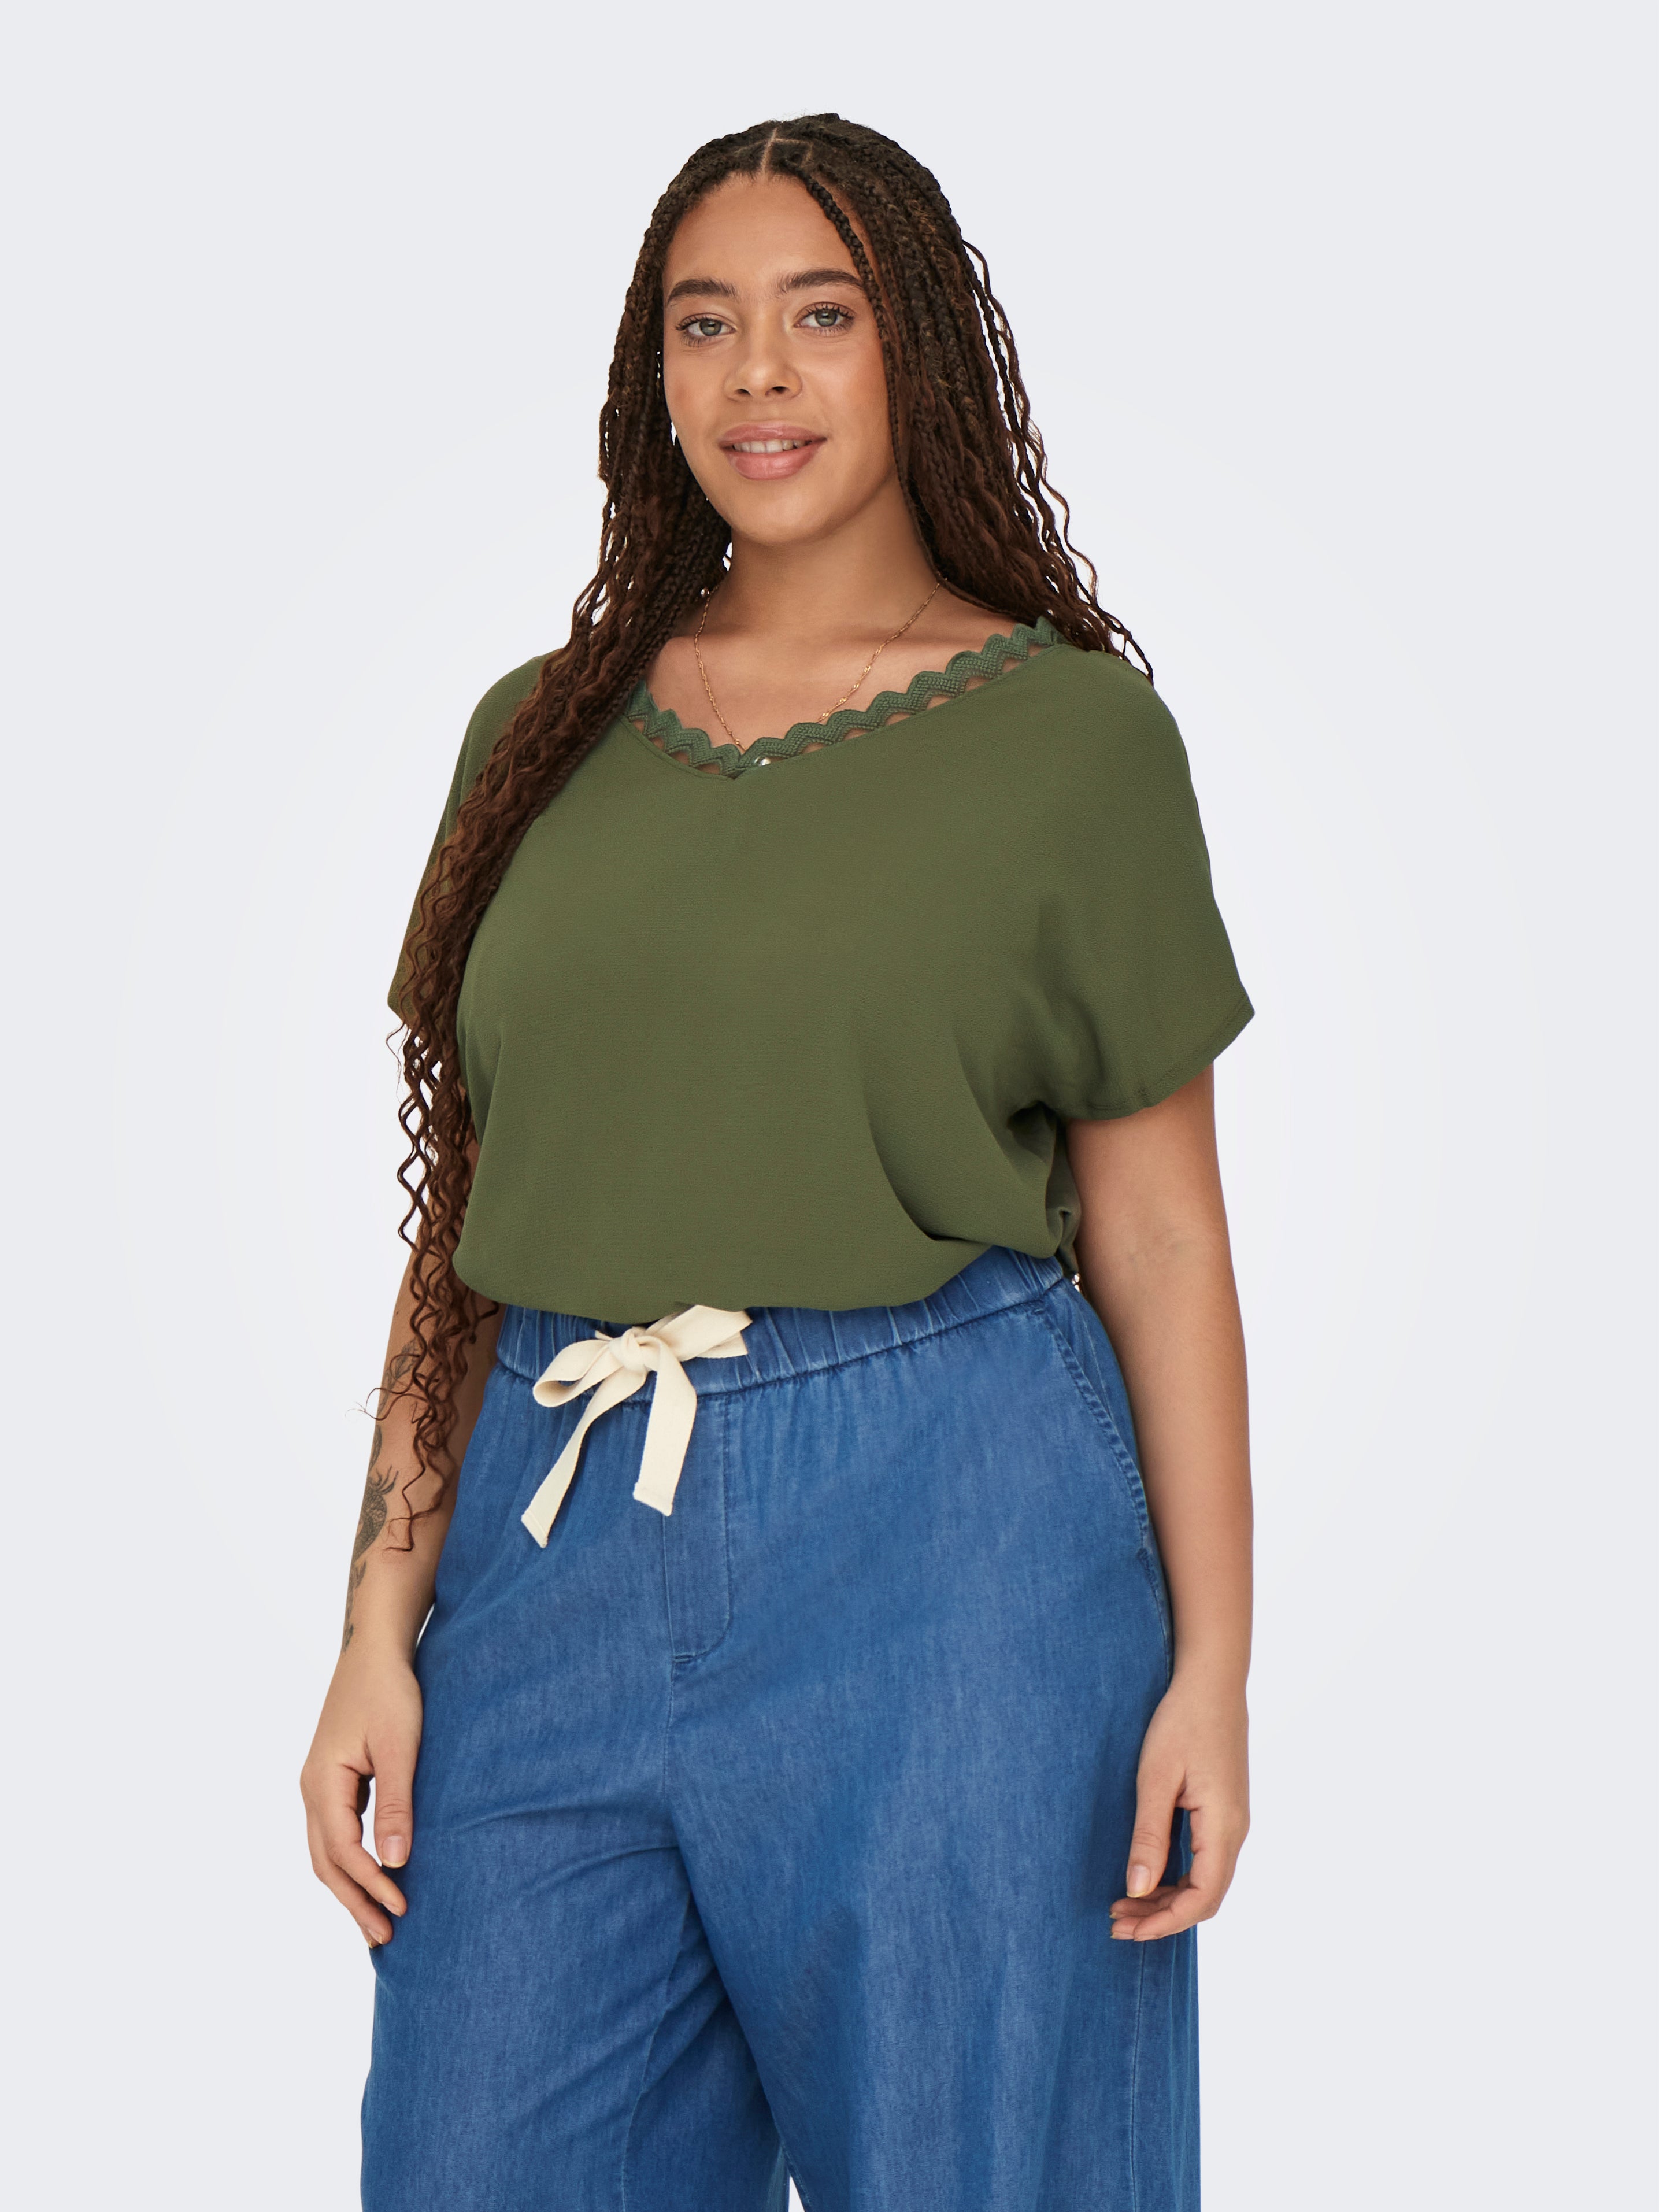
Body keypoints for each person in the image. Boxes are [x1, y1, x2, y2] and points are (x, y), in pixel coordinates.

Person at [301, 113, 1254, 2212]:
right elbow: (468, 1219)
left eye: (821, 316)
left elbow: (1165, 1237)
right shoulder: (534, 736)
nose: (758, 374)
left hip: (947, 1540)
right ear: (649, 372)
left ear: (918, 350)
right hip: (549, 1536)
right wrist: (377, 1618)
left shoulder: (1072, 742)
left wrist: (1212, 1666)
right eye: (703, 322)